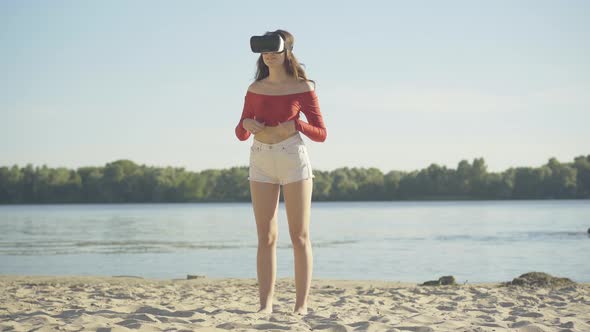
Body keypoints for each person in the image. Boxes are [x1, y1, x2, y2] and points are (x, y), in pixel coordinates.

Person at [234, 29, 327, 315]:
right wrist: (247, 125)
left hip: (292, 159)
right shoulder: (254, 88)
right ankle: (266, 305)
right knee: (266, 237)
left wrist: (297, 125)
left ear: (287, 51)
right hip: (260, 160)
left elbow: (321, 133)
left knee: (299, 235)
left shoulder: (303, 87)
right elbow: (239, 132)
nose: (269, 55)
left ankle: (301, 306)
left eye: (274, 49)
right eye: (264, 50)